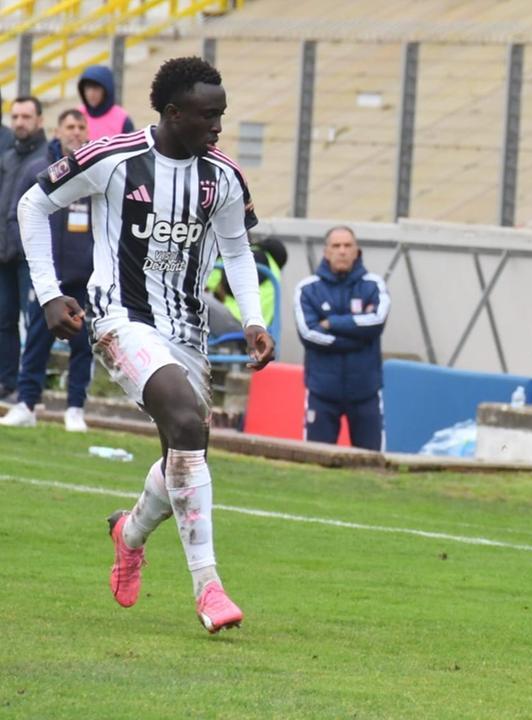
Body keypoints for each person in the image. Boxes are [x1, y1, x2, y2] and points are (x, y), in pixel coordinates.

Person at [18, 56, 274, 634]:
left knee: (185, 453)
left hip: (187, 331)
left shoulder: (223, 177)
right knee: (185, 424)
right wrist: (49, 294)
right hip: (121, 319)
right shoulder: (114, 158)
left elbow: (237, 250)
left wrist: (253, 320)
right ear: (174, 112)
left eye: (222, 115)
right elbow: (33, 203)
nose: (218, 127)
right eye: (208, 116)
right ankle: (209, 588)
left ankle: (129, 533)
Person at [0, 109, 92, 431]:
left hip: (84, 275)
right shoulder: (39, 169)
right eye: (70, 126)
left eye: (81, 127)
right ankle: (27, 403)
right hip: (46, 277)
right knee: (36, 341)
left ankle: (75, 408)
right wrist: (32, 257)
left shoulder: (96, 172)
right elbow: (16, 215)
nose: (76, 132)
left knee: (83, 345)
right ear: (57, 131)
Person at [295, 225, 389, 451]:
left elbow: (376, 321)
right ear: (326, 252)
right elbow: (309, 333)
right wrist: (357, 338)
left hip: (365, 392)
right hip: (322, 392)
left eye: (348, 245)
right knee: (314, 461)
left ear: (357, 251)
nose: (342, 251)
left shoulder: (373, 285)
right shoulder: (308, 289)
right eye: (336, 246)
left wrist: (332, 323)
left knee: (371, 462)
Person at [0, 96, 47, 401]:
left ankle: (31, 389)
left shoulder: (46, 158)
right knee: (4, 321)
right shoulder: (7, 158)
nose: (19, 122)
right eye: (15, 116)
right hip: (5, 253)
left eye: (26, 117)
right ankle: (7, 384)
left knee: (34, 323)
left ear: (39, 120)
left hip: (30, 256)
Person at [78, 65, 135, 141]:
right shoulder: (77, 115)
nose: (91, 93)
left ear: (107, 90)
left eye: (96, 88)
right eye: (87, 88)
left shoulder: (122, 120)